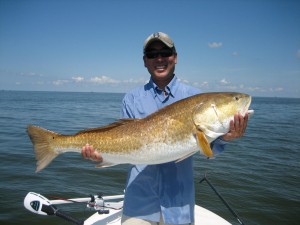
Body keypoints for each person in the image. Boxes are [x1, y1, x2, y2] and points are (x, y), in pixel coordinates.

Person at [82, 32, 248, 225]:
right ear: (145, 61)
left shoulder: (194, 96)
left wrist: (226, 137)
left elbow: (209, 150)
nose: (159, 58)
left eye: (165, 52)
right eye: (152, 54)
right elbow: (122, 141)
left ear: (175, 57)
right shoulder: (131, 98)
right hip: (139, 204)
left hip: (179, 206)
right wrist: (101, 155)